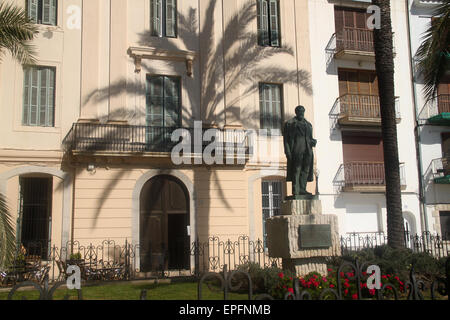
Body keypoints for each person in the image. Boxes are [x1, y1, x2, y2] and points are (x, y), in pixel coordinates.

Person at [283, 105, 317, 196]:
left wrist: (313, 141)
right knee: (296, 170)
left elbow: (309, 138)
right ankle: (296, 190)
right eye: (299, 111)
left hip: (308, 150)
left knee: (305, 170)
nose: (301, 113)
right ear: (296, 112)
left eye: (302, 111)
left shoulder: (308, 125)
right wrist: (288, 152)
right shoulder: (290, 124)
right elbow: (286, 140)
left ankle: (302, 189)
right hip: (296, 150)